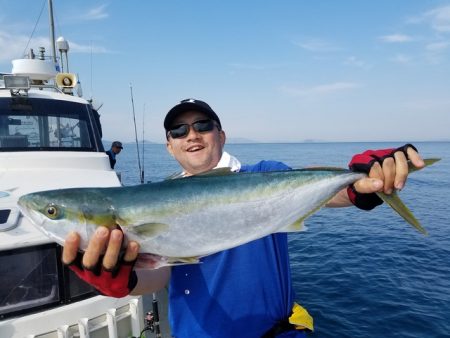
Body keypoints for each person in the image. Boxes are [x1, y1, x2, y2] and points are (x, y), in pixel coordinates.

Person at [62, 98, 424, 337]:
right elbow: (155, 278)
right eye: (179, 131)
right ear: (169, 145)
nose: (192, 135)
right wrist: (118, 281)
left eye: (203, 125)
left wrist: (362, 180)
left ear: (221, 135)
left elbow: (328, 190)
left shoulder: (262, 174)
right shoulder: (156, 199)